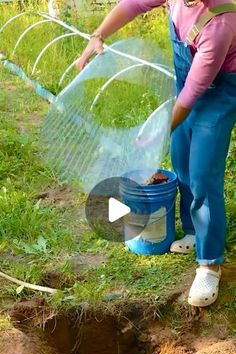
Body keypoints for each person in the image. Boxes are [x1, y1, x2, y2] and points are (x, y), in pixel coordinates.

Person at [76, 0, 236, 307]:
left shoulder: (220, 23)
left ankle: (209, 264)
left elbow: (191, 96)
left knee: (203, 172)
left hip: (221, 93)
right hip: (189, 86)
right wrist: (98, 35)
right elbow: (133, 4)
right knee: (182, 156)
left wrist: (156, 133)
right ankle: (192, 231)